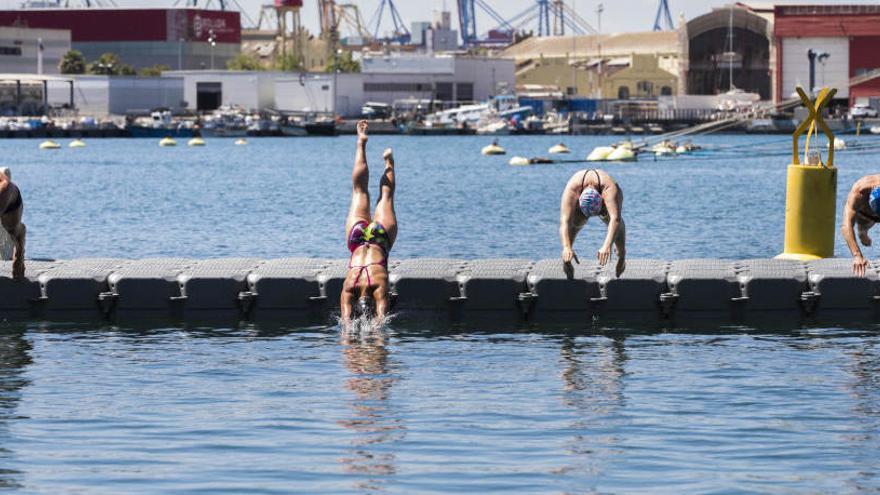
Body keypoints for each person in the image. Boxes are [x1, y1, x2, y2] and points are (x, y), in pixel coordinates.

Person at [341, 120, 398, 323]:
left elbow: (378, 319)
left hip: (379, 240)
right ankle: (361, 144)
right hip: (357, 239)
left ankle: (389, 163)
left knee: (386, 196)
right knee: (360, 190)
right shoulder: (349, 290)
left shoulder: (377, 288)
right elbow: (348, 319)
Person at [559, 168, 625, 279]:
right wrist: (566, 247)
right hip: (581, 205)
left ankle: (621, 255)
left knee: (615, 222)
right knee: (573, 224)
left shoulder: (610, 189)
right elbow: (565, 221)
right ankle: (567, 260)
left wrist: (607, 246)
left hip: (605, 203)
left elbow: (616, 219)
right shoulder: (571, 190)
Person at [841, 174, 880, 276]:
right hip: (865, 214)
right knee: (863, 224)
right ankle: (863, 232)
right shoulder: (859, 192)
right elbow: (846, 225)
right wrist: (857, 255)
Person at [0, 167, 25, 279]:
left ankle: (19, 251)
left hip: (11, 199)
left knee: (14, 231)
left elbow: (5, 183)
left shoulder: (7, 189)